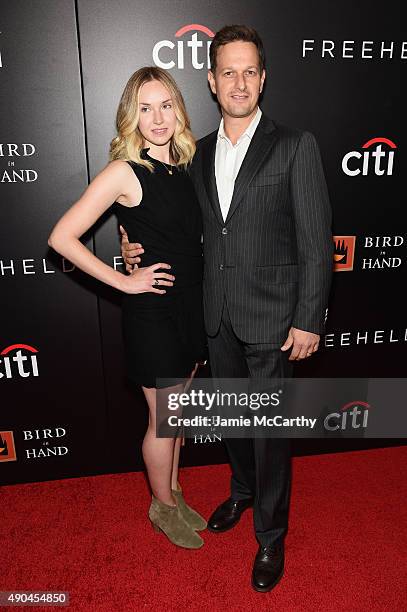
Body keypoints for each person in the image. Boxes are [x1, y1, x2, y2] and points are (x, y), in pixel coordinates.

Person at [121, 25, 334, 592]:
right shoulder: (197, 154)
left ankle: (271, 534)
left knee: (269, 431)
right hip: (214, 316)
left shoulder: (295, 144)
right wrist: (128, 242)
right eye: (227, 72)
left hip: (273, 318)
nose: (239, 82)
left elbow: (317, 240)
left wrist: (310, 317)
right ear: (212, 82)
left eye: (250, 71)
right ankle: (241, 492)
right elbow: (166, 218)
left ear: (262, 79)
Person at [48, 66, 207, 550]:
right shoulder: (124, 171)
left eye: (165, 105)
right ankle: (161, 507)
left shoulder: (189, 165)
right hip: (153, 313)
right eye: (144, 108)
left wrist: (128, 238)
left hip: (191, 308)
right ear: (130, 116)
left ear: (178, 108)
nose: (157, 118)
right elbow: (61, 237)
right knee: (162, 421)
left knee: (177, 417)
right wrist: (123, 279)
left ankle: (174, 493)